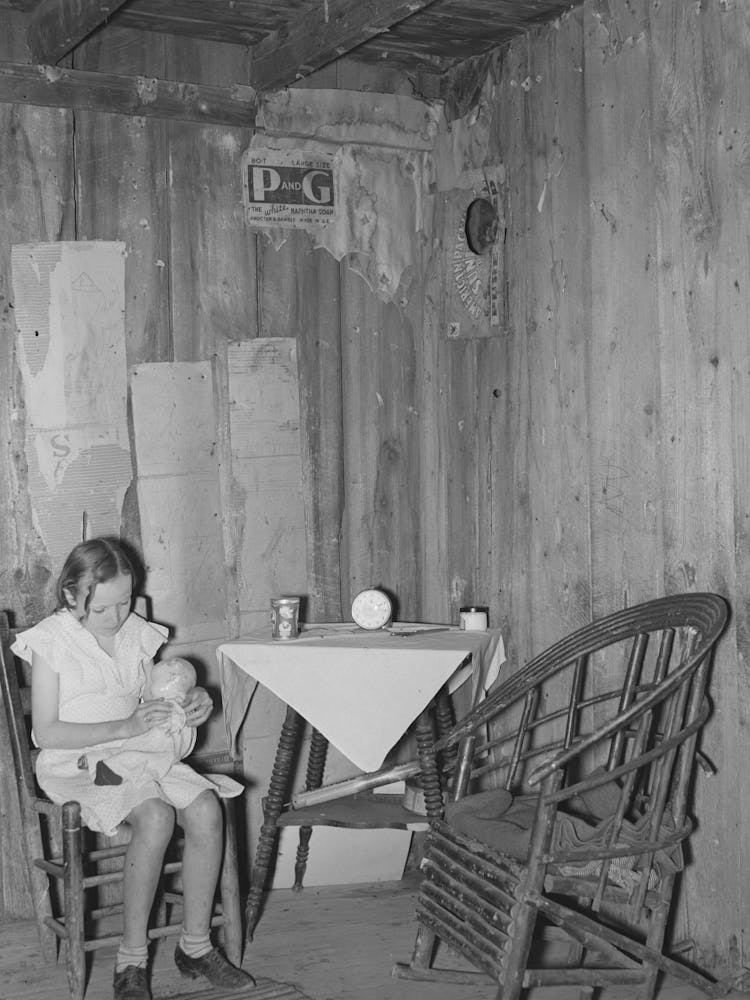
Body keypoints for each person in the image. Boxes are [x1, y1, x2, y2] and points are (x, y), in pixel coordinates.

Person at [12, 537, 255, 1000]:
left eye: (124, 602)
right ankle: (131, 960)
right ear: (70, 595)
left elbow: (155, 695)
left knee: (206, 807)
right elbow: (46, 732)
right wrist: (125, 725)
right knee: (156, 816)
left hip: (135, 753)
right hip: (77, 763)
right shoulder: (52, 642)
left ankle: (196, 946)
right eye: (101, 608)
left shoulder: (135, 632)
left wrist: (192, 701)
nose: (115, 616)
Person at [77, 657, 199, 787]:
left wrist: (180, 716)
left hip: (160, 750)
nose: (149, 686)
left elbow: (180, 721)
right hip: (143, 743)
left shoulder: (175, 707)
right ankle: (99, 762)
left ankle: (109, 769)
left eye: (153, 681)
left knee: (138, 756)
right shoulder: (163, 705)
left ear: (172, 679)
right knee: (132, 750)